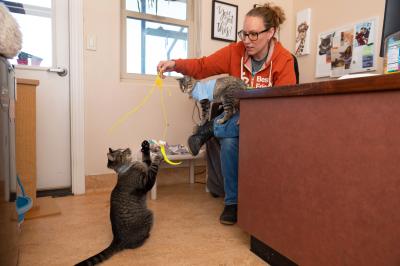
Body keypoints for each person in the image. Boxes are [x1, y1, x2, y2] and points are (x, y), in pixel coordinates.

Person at [157, 3, 296, 225]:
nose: (247, 40)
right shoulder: (235, 51)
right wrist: (175, 64)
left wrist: (254, 117)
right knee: (230, 141)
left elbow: (285, 106)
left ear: (271, 33)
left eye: (253, 34)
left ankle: (211, 128)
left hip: (267, 120)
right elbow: (202, 66)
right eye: (244, 33)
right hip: (237, 119)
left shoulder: (284, 60)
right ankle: (232, 203)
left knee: (225, 131)